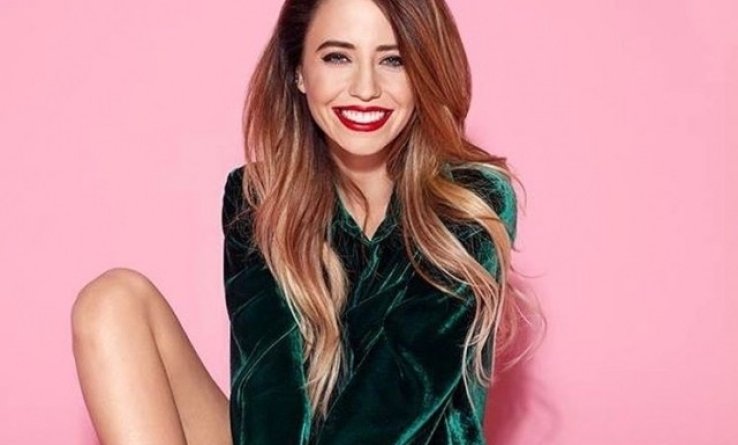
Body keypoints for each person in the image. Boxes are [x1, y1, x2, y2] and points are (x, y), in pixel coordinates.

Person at [71, 0, 542, 444]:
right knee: (112, 300)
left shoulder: (467, 201)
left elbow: (396, 402)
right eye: (338, 57)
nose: (365, 88)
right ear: (298, 71)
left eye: (393, 60)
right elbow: (268, 390)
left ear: (423, 71)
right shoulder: (260, 198)